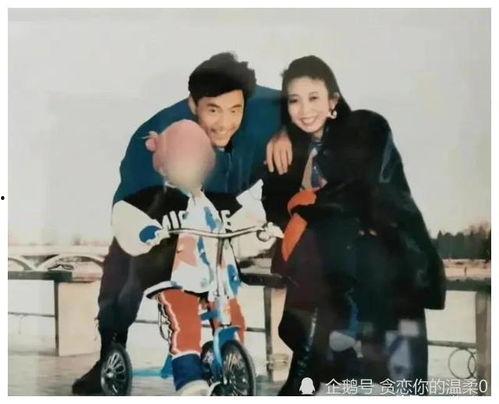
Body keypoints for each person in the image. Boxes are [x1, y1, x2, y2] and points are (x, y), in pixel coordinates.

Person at [72, 52, 292, 395]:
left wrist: (288, 132)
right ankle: (110, 354)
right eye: (212, 111)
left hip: (219, 205)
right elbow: (129, 206)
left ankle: (226, 355)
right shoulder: (157, 137)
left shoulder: (268, 108)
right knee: (128, 273)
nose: (224, 123)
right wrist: (147, 233)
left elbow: (321, 105)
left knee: (230, 299)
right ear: (193, 104)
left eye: (235, 110)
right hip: (161, 205)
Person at [263, 56, 446, 395]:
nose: (305, 110)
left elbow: (362, 191)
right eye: (294, 100)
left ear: (333, 101)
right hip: (332, 296)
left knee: (403, 382)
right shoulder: (293, 152)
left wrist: (306, 203)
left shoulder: (364, 128)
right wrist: (281, 134)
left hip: (387, 278)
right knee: (338, 377)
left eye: (314, 98)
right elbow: (276, 209)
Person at [111, 120, 281, 395]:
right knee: (185, 318)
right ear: (164, 167)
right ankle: (188, 377)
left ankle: (227, 360)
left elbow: (241, 228)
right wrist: (146, 231)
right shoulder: (153, 199)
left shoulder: (217, 202)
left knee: (232, 316)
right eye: (182, 163)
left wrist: (262, 232)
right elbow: (126, 215)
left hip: (215, 277)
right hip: (172, 277)